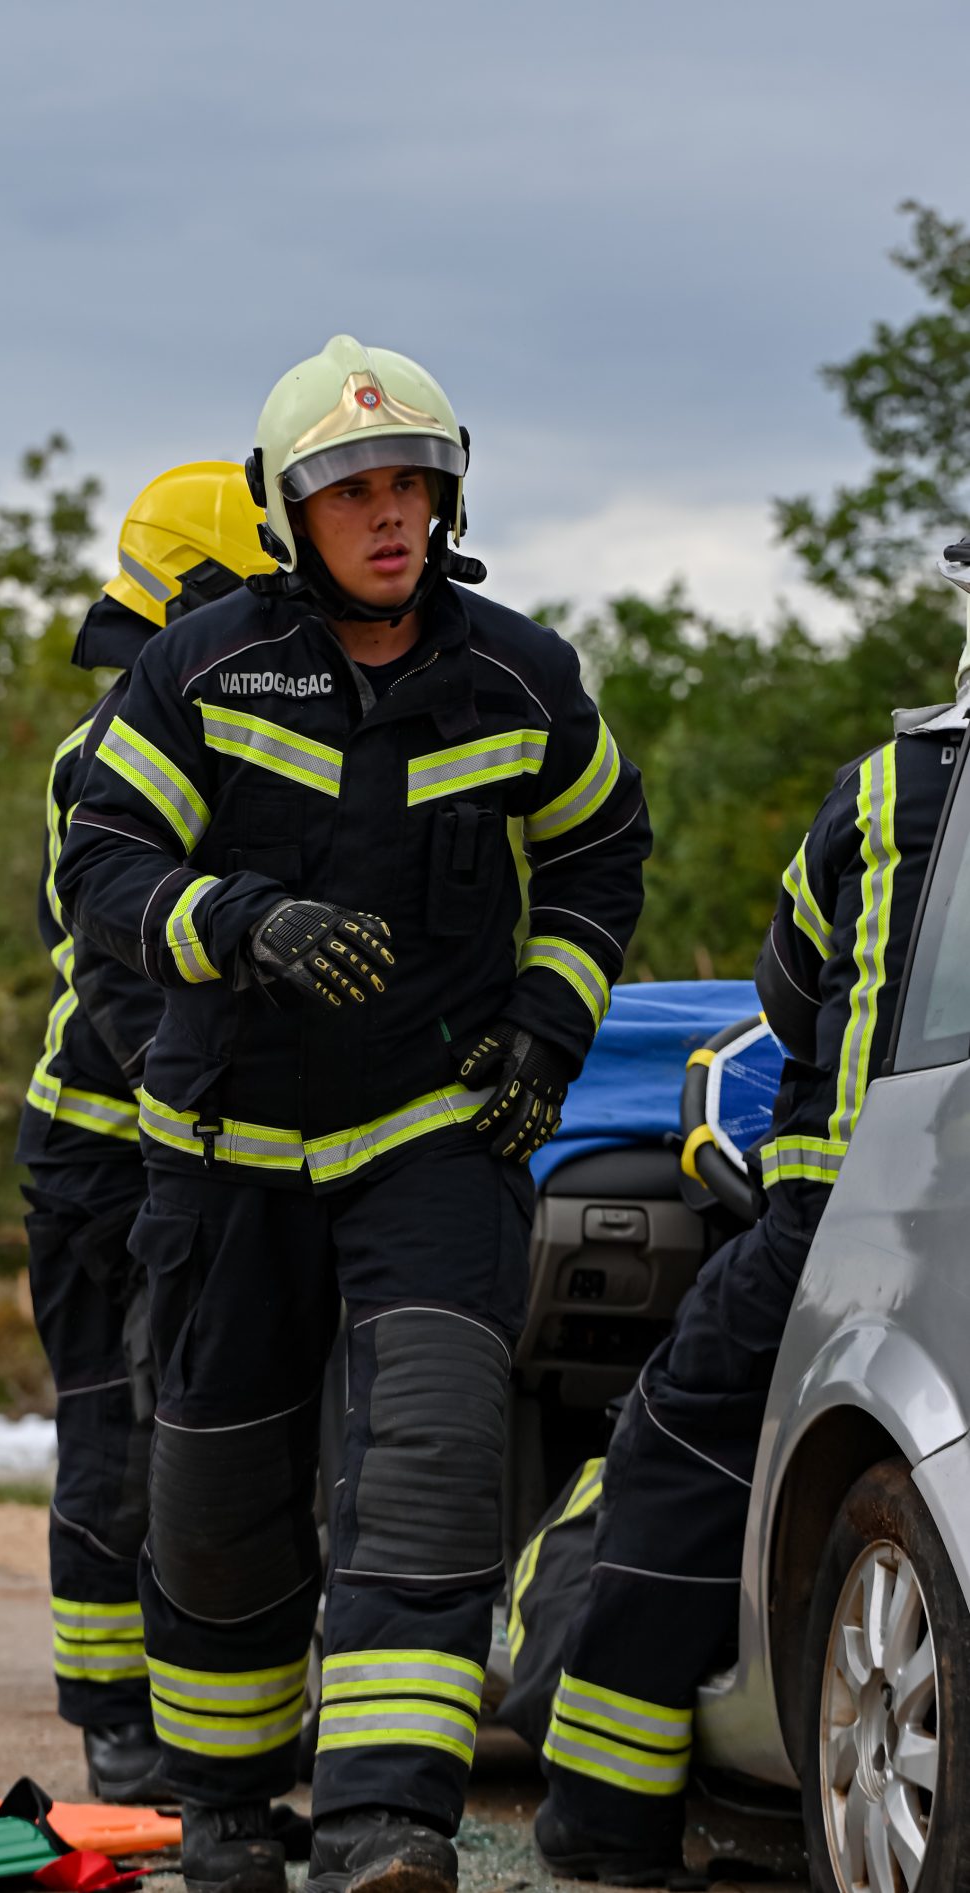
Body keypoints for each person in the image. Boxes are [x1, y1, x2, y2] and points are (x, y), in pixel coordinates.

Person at [55, 334, 650, 1893]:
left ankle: (391, 1826)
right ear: (285, 509)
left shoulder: (519, 674)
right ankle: (234, 1811)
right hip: (223, 1154)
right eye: (350, 491)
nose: (387, 517)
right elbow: (102, 866)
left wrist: (549, 1017)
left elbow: (600, 856)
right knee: (220, 1508)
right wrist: (239, 921)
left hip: (430, 1145)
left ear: (447, 502)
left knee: (432, 1467)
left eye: (411, 487)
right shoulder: (201, 669)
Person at [534, 618, 970, 1884]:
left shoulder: (888, 789)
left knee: (669, 1448)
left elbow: (785, 994)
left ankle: (604, 1823)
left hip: (836, 1209)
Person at [18, 463, 274, 1801]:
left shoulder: (252, 729)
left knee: (217, 1429)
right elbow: (119, 978)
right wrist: (195, 1125)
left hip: (216, 1144)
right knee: (121, 1433)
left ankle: (212, 1709)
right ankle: (118, 1723)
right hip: (108, 1151)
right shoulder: (113, 745)